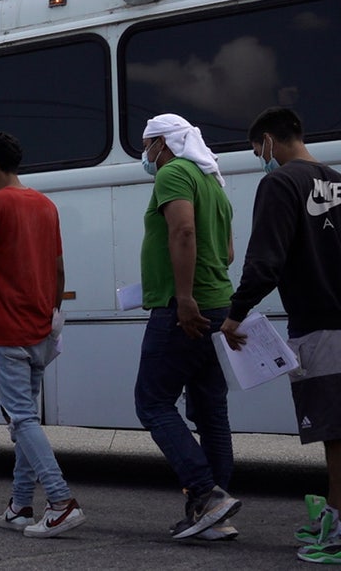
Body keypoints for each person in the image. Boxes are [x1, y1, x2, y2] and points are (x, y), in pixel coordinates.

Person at [219, 108, 341, 563]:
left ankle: (338, 535)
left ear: (269, 141)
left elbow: (265, 259)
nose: (260, 160)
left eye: (257, 152)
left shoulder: (280, 183)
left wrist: (235, 314)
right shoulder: (336, 178)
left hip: (322, 325)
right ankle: (332, 514)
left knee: (334, 433)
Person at [0, 131, 86, 538]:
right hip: (39, 326)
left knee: (21, 420)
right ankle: (19, 504)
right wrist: (52, 317)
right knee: (25, 417)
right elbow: (59, 268)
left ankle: (60, 500)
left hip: (5, 326)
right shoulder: (45, 204)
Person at [133, 113, 241, 541]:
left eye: (146, 145)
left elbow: (182, 231)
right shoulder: (212, 181)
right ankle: (214, 515)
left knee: (152, 402)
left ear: (163, 143)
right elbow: (228, 252)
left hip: (184, 309)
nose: (145, 154)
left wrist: (182, 296)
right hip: (218, 302)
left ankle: (206, 494)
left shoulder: (175, 173)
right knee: (210, 411)